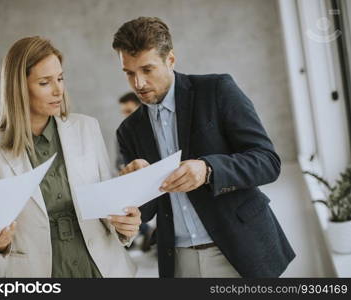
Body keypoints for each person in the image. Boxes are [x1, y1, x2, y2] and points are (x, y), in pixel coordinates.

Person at [113, 17, 296, 278]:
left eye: (147, 70)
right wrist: (131, 188)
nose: (138, 83)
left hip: (240, 252)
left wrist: (208, 169)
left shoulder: (217, 90)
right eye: (129, 73)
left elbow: (267, 161)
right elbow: (146, 211)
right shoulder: (128, 130)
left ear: (171, 60)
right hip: (177, 261)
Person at [0, 36, 140, 278]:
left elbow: (110, 208)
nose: (58, 90)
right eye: (44, 82)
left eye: (60, 79)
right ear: (19, 87)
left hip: (101, 270)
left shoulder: (87, 128)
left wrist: (126, 227)